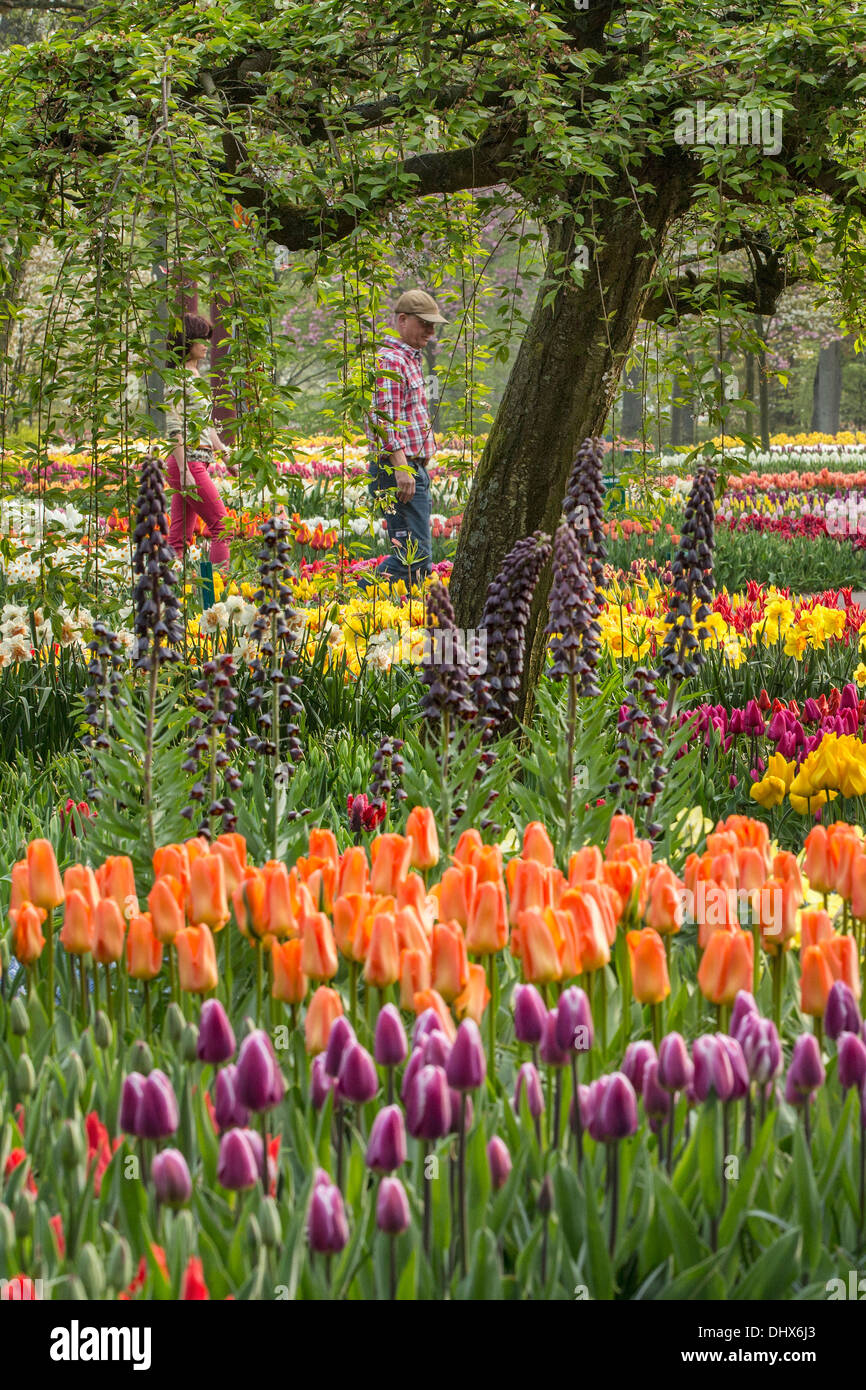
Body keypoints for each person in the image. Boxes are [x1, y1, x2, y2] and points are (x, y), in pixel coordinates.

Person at [363, 289, 446, 588]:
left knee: (417, 561)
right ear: (402, 320)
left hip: (411, 469)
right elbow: (382, 418)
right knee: (413, 558)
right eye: (424, 323)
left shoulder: (410, 359)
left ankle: (399, 619)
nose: (431, 330)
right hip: (397, 469)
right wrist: (401, 466)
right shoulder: (390, 361)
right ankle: (352, 598)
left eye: (433, 324)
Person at [164, 313, 233, 573]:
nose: (207, 343)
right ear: (187, 340)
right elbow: (174, 427)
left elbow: (205, 426)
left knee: (179, 537)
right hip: (188, 461)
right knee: (221, 526)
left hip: (196, 461)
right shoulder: (177, 379)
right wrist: (183, 471)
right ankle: (220, 589)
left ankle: (167, 591)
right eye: (201, 338)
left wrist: (226, 455)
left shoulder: (194, 377)